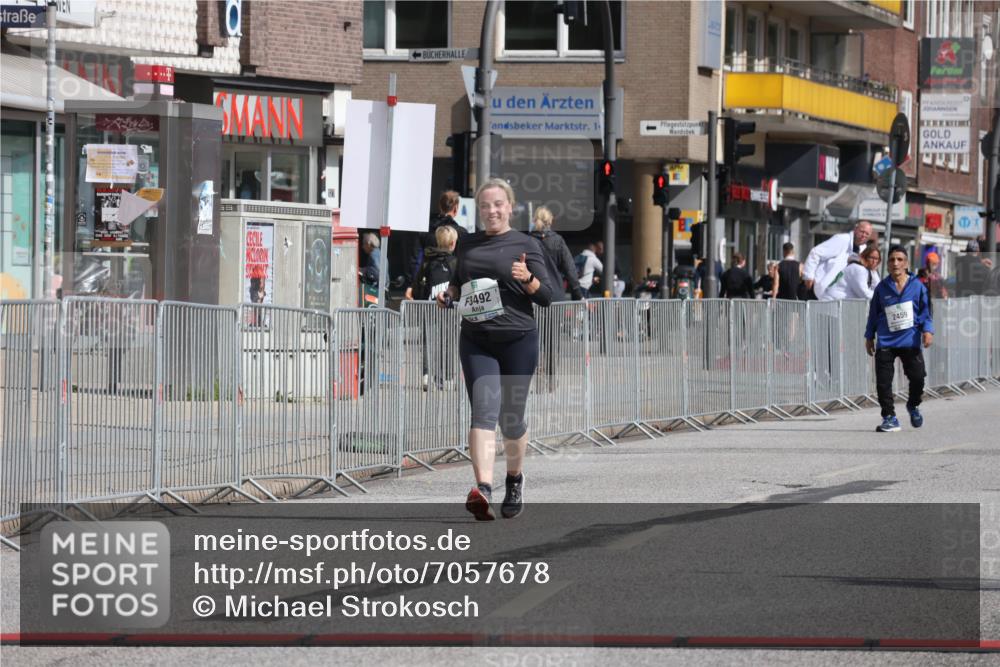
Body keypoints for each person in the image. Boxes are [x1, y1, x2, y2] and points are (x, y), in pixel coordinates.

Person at [436, 178, 553, 521]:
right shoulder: (468, 245)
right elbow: (460, 285)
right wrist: (449, 296)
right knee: (484, 412)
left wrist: (527, 278)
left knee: (511, 419)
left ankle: (514, 480)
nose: (491, 211)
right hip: (477, 338)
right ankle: (483, 489)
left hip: (518, 339)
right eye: (485, 206)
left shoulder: (526, 244)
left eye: (498, 204)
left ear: (510, 207)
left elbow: (547, 296)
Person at [865, 245, 934, 433]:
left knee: (918, 378)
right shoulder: (882, 288)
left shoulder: (918, 286)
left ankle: (913, 405)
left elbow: (926, 312)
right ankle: (889, 417)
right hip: (886, 341)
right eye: (892, 260)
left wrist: (928, 331)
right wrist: (869, 336)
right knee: (883, 382)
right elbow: (873, 313)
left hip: (909, 341)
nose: (895, 263)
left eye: (899, 259)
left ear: (906, 263)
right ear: (887, 264)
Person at [803, 220, 873, 301]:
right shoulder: (842, 239)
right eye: (862, 231)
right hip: (821, 289)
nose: (863, 235)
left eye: (867, 234)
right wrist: (808, 276)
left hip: (840, 296)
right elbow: (816, 252)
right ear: (855, 229)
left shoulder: (863, 249)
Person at [410, 190, 468, 283]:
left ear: (440, 206)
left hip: (427, 281)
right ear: (456, 208)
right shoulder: (462, 233)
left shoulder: (425, 230)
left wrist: (414, 284)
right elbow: (464, 261)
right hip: (452, 284)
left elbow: (416, 260)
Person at [530, 206, 584, 301]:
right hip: (556, 296)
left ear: (535, 220)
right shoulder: (558, 241)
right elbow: (570, 269)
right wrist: (579, 295)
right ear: (551, 220)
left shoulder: (528, 241)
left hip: (534, 295)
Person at [406, 225, 458, 301]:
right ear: (453, 243)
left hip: (428, 310)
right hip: (451, 310)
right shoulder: (457, 263)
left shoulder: (427, 262)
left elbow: (416, 291)